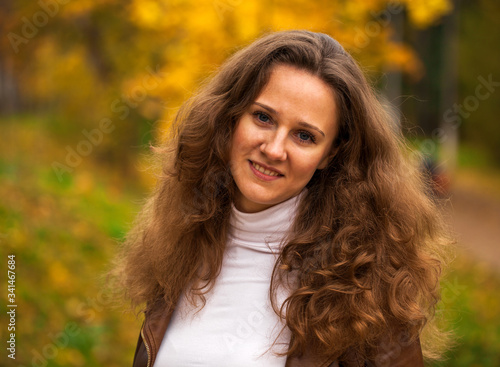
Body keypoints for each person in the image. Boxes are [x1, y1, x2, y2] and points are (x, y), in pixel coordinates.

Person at [111, 30, 451, 367]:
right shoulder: (180, 243)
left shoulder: (367, 288)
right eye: (263, 117)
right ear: (230, 116)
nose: (274, 149)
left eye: (304, 136)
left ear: (331, 153)